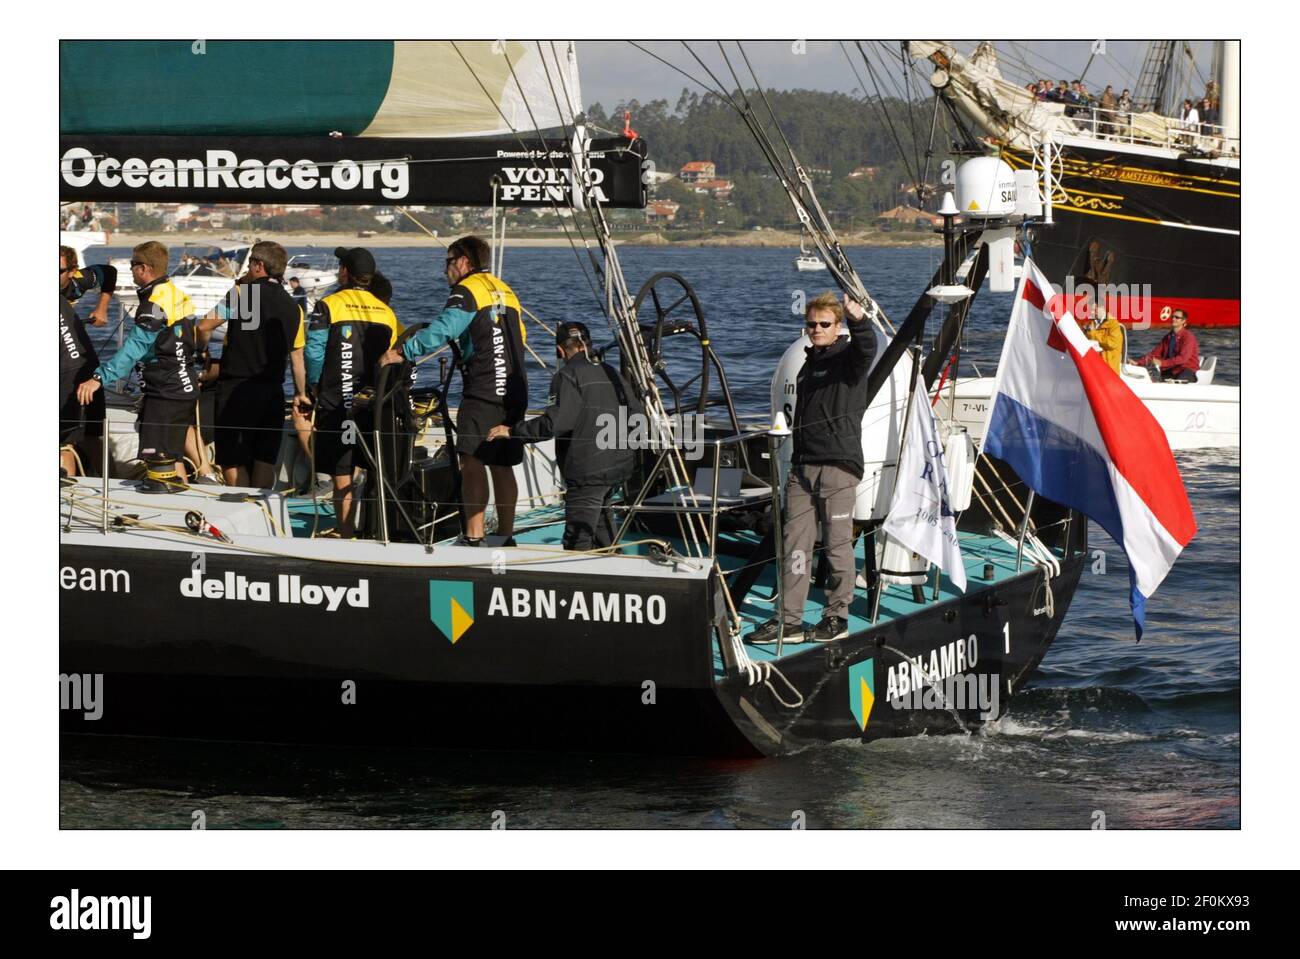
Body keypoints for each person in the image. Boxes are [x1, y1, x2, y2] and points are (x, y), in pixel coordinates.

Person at [379, 235, 528, 547]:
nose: (445, 269)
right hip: (515, 389)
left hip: (484, 389)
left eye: (448, 261)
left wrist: (402, 352)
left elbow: (443, 330)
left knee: (471, 461)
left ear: (464, 262)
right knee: (503, 463)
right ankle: (505, 535)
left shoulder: (467, 291)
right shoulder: (507, 291)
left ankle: (474, 538)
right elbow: (521, 336)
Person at [750, 292, 877, 645]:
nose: (817, 329)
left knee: (837, 545)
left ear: (837, 327)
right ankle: (788, 621)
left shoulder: (849, 358)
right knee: (794, 547)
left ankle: (836, 617)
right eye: (811, 324)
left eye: (824, 324)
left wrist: (859, 319)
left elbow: (867, 345)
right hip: (802, 467)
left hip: (838, 467)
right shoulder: (808, 364)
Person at [487, 321, 642, 550]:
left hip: (587, 473)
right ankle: (612, 568)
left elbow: (556, 423)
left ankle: (584, 581)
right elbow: (637, 414)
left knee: (576, 539)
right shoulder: (611, 372)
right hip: (619, 467)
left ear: (560, 351)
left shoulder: (566, 376)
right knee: (601, 527)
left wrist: (512, 431)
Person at [77, 241, 199, 481]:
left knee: (159, 461)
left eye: (133, 265)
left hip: (166, 390)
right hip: (182, 386)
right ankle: (183, 504)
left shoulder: (153, 304)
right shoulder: (174, 292)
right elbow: (189, 337)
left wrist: (98, 378)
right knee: (172, 459)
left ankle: (167, 508)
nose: (131, 270)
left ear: (144, 268)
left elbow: (134, 348)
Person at [303, 247, 402, 538]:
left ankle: (346, 531)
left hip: (336, 401)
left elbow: (314, 350)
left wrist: (314, 384)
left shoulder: (329, 304)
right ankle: (369, 528)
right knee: (367, 463)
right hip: (372, 403)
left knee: (341, 469)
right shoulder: (386, 312)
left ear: (344, 272)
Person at [196, 240, 307, 488]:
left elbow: (204, 326)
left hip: (237, 387)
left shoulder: (242, 295)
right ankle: (261, 512)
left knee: (232, 460)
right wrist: (301, 393)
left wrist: (202, 351)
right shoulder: (293, 307)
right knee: (264, 459)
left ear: (259, 266)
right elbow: (297, 356)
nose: (246, 271)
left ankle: (241, 508)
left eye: (249, 265)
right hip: (272, 391)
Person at [60, 248, 117, 476]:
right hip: (71, 359)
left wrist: (102, 306)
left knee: (86, 436)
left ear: (73, 271)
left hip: (79, 364)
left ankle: (109, 484)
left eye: (59, 271)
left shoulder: (77, 282)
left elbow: (108, 273)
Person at [1139, 309, 1200, 382]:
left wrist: (1162, 363)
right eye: (1172, 317)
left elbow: (1183, 358)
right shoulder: (1168, 337)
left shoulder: (1188, 337)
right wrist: (1138, 362)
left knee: (1176, 383)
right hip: (1171, 369)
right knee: (1150, 379)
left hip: (1187, 369)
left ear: (1183, 321)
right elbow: (1154, 354)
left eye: (1177, 317)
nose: (1173, 319)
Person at [1082, 301, 1125, 375]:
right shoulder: (1091, 324)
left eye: (1094, 310)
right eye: (1091, 310)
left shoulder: (1113, 324)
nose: (1092, 312)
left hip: (1110, 371)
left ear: (1102, 308)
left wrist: (1093, 333)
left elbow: (1112, 343)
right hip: (1095, 369)